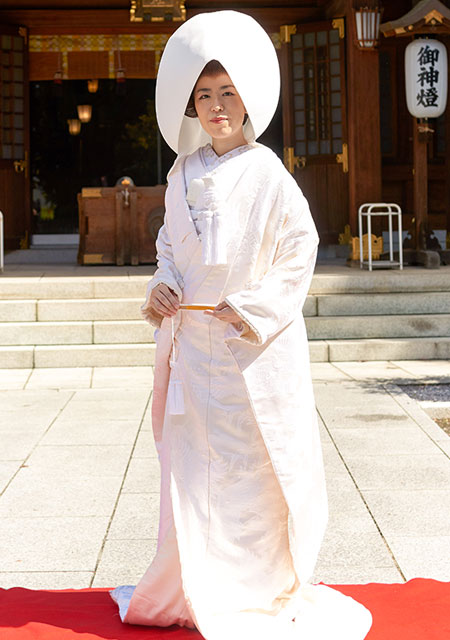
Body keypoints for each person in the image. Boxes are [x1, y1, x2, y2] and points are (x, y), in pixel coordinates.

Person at [111, 11, 372, 640]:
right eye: (205, 95)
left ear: (247, 99)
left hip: (246, 354)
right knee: (191, 479)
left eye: (228, 92)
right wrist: (164, 284)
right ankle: (190, 588)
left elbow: (299, 248)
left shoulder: (268, 172)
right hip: (192, 350)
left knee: (249, 476)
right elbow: (169, 248)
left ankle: (252, 590)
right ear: (190, 104)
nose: (217, 106)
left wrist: (252, 308)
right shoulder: (180, 173)